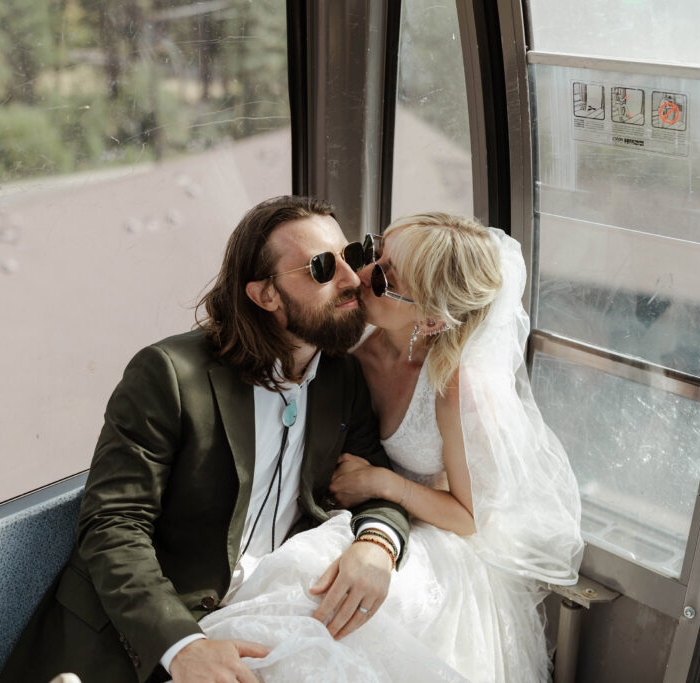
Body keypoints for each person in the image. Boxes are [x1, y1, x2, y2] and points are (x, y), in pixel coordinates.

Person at [0, 196, 410, 683]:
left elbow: (376, 479)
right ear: (265, 296)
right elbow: (112, 528)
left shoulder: (342, 375)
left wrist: (377, 545)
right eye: (322, 268)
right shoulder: (168, 374)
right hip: (138, 642)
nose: (350, 279)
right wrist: (185, 647)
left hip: (265, 618)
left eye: (353, 256)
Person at [196, 212, 584, 682]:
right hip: (352, 512)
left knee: (316, 594)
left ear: (433, 319)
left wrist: (387, 485)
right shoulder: (348, 337)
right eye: (372, 253)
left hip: (433, 536)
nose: (357, 276)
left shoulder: (458, 386)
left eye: (383, 278)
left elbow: (470, 517)